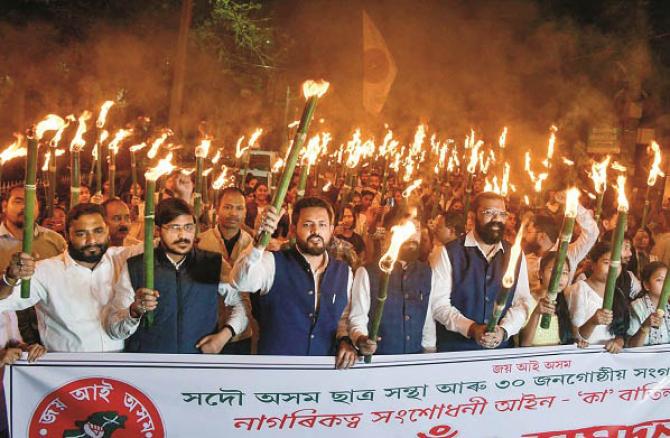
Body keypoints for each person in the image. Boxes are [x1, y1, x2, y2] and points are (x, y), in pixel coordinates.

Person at [106, 198, 247, 354]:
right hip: (148, 367)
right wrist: (134, 311)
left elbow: (242, 305)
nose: (183, 235)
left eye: (188, 227)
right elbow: (114, 329)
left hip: (197, 362)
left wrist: (224, 336)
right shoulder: (136, 266)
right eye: (174, 228)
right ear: (158, 230)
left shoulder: (211, 263)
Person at [231, 197, 356, 369]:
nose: (315, 230)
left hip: (322, 370)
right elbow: (241, 281)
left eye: (322, 224)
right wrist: (259, 242)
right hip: (275, 371)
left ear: (331, 230)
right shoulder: (272, 262)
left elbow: (343, 317)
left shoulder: (344, 272)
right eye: (307, 224)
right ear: (292, 229)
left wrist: (345, 340)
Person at [0, 203, 132, 352]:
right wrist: (10, 278)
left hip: (118, 368)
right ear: (67, 234)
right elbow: (3, 302)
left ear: (108, 230)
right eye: (81, 234)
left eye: (98, 231)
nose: (91, 240)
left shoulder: (122, 259)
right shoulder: (45, 271)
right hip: (66, 369)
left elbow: (157, 245)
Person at [431, 192, 532, 351]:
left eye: (501, 214)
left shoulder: (515, 255)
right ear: (472, 217)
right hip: (456, 352)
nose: (496, 219)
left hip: (500, 352)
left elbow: (522, 302)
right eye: (489, 213)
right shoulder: (448, 253)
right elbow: (439, 305)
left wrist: (504, 331)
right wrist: (472, 329)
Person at [349, 218, 438, 354]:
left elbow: (427, 319)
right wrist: (362, 340)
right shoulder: (367, 272)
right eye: (406, 228)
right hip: (381, 360)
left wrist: (429, 351)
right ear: (390, 234)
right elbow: (357, 318)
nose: (413, 234)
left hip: (414, 357)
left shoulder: (426, 271)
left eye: (417, 229)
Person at [0, 185, 67, 345]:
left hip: (51, 329)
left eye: (32, 202)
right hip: (6, 333)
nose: (25, 207)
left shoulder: (55, 241)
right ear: (4, 206)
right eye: (18, 201)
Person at [197, 187, 255, 354]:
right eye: (228, 207)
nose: (233, 213)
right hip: (206, 328)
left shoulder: (253, 245)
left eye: (239, 208)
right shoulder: (200, 241)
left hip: (242, 332)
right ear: (217, 209)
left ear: (245, 211)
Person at [523, 192, 598, 294]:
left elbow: (592, 232)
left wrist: (573, 204)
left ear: (541, 236)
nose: (524, 236)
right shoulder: (525, 260)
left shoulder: (568, 253)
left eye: (529, 231)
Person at [566, 242, 630, 353]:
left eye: (617, 264)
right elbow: (575, 336)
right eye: (606, 262)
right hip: (585, 357)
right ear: (593, 264)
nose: (612, 269)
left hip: (608, 358)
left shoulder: (618, 293)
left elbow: (620, 332)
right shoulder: (579, 289)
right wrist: (593, 322)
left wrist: (618, 342)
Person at [519, 252, 584, 347]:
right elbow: (524, 344)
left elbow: (568, 340)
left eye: (565, 273)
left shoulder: (566, 302)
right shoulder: (525, 300)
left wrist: (578, 342)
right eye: (554, 271)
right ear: (540, 273)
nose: (560, 278)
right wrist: (536, 313)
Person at [627, 261, 670, 346]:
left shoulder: (668, 307)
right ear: (646, 285)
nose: (665, 284)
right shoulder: (636, 307)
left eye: (667, 281)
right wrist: (645, 326)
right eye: (659, 280)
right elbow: (630, 346)